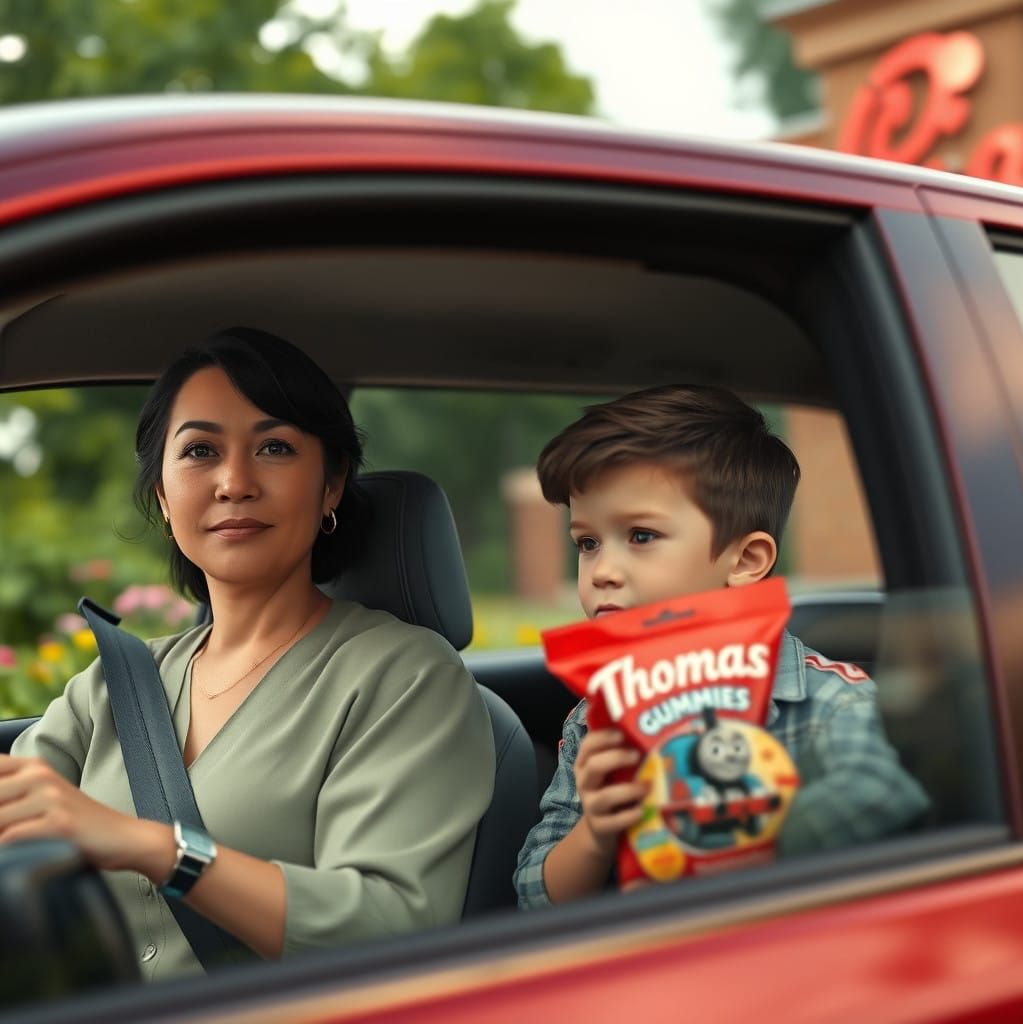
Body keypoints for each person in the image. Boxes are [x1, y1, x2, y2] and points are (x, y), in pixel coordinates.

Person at [0, 327, 494, 979]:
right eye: (201, 450)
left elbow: (390, 924)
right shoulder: (113, 684)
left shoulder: (404, 679)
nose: (235, 481)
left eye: (275, 447)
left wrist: (158, 849)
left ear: (331, 486)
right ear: (162, 496)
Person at [514, 385, 928, 908]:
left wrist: (744, 835)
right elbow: (532, 894)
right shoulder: (598, 718)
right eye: (587, 543)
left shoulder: (832, 704)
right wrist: (596, 832)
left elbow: (886, 803)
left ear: (745, 560)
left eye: (640, 536)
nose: (603, 572)